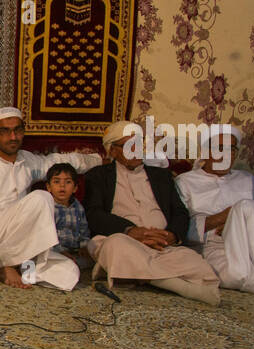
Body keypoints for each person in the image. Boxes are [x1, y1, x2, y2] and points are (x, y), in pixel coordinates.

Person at [84, 120, 221, 304]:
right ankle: (177, 286)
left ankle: (138, 274)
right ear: (113, 150)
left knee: (197, 263)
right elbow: (93, 214)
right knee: (114, 245)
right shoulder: (98, 176)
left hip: (162, 245)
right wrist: (130, 231)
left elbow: (180, 212)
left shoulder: (161, 176)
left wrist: (171, 235)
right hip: (125, 240)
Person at [0, 106, 102, 289]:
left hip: (21, 238)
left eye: (17, 130)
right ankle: (1, 264)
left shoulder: (27, 161)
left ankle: (11, 264)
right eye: (5, 131)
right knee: (42, 198)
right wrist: (19, 218)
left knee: (70, 273)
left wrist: (99, 159)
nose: (13, 137)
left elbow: (61, 162)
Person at [175, 125, 254, 294]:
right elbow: (180, 228)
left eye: (231, 149)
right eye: (219, 148)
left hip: (251, 242)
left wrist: (237, 221)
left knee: (247, 208)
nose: (226, 154)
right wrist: (226, 217)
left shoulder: (246, 179)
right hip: (213, 245)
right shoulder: (185, 182)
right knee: (237, 276)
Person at [46, 163, 91, 261]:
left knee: (91, 256)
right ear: (49, 187)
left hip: (75, 250)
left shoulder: (78, 207)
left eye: (68, 182)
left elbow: (84, 229)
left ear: (75, 188)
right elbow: (46, 235)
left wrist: (84, 245)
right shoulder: (48, 207)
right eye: (56, 182)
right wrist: (60, 251)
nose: (62, 186)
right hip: (55, 250)